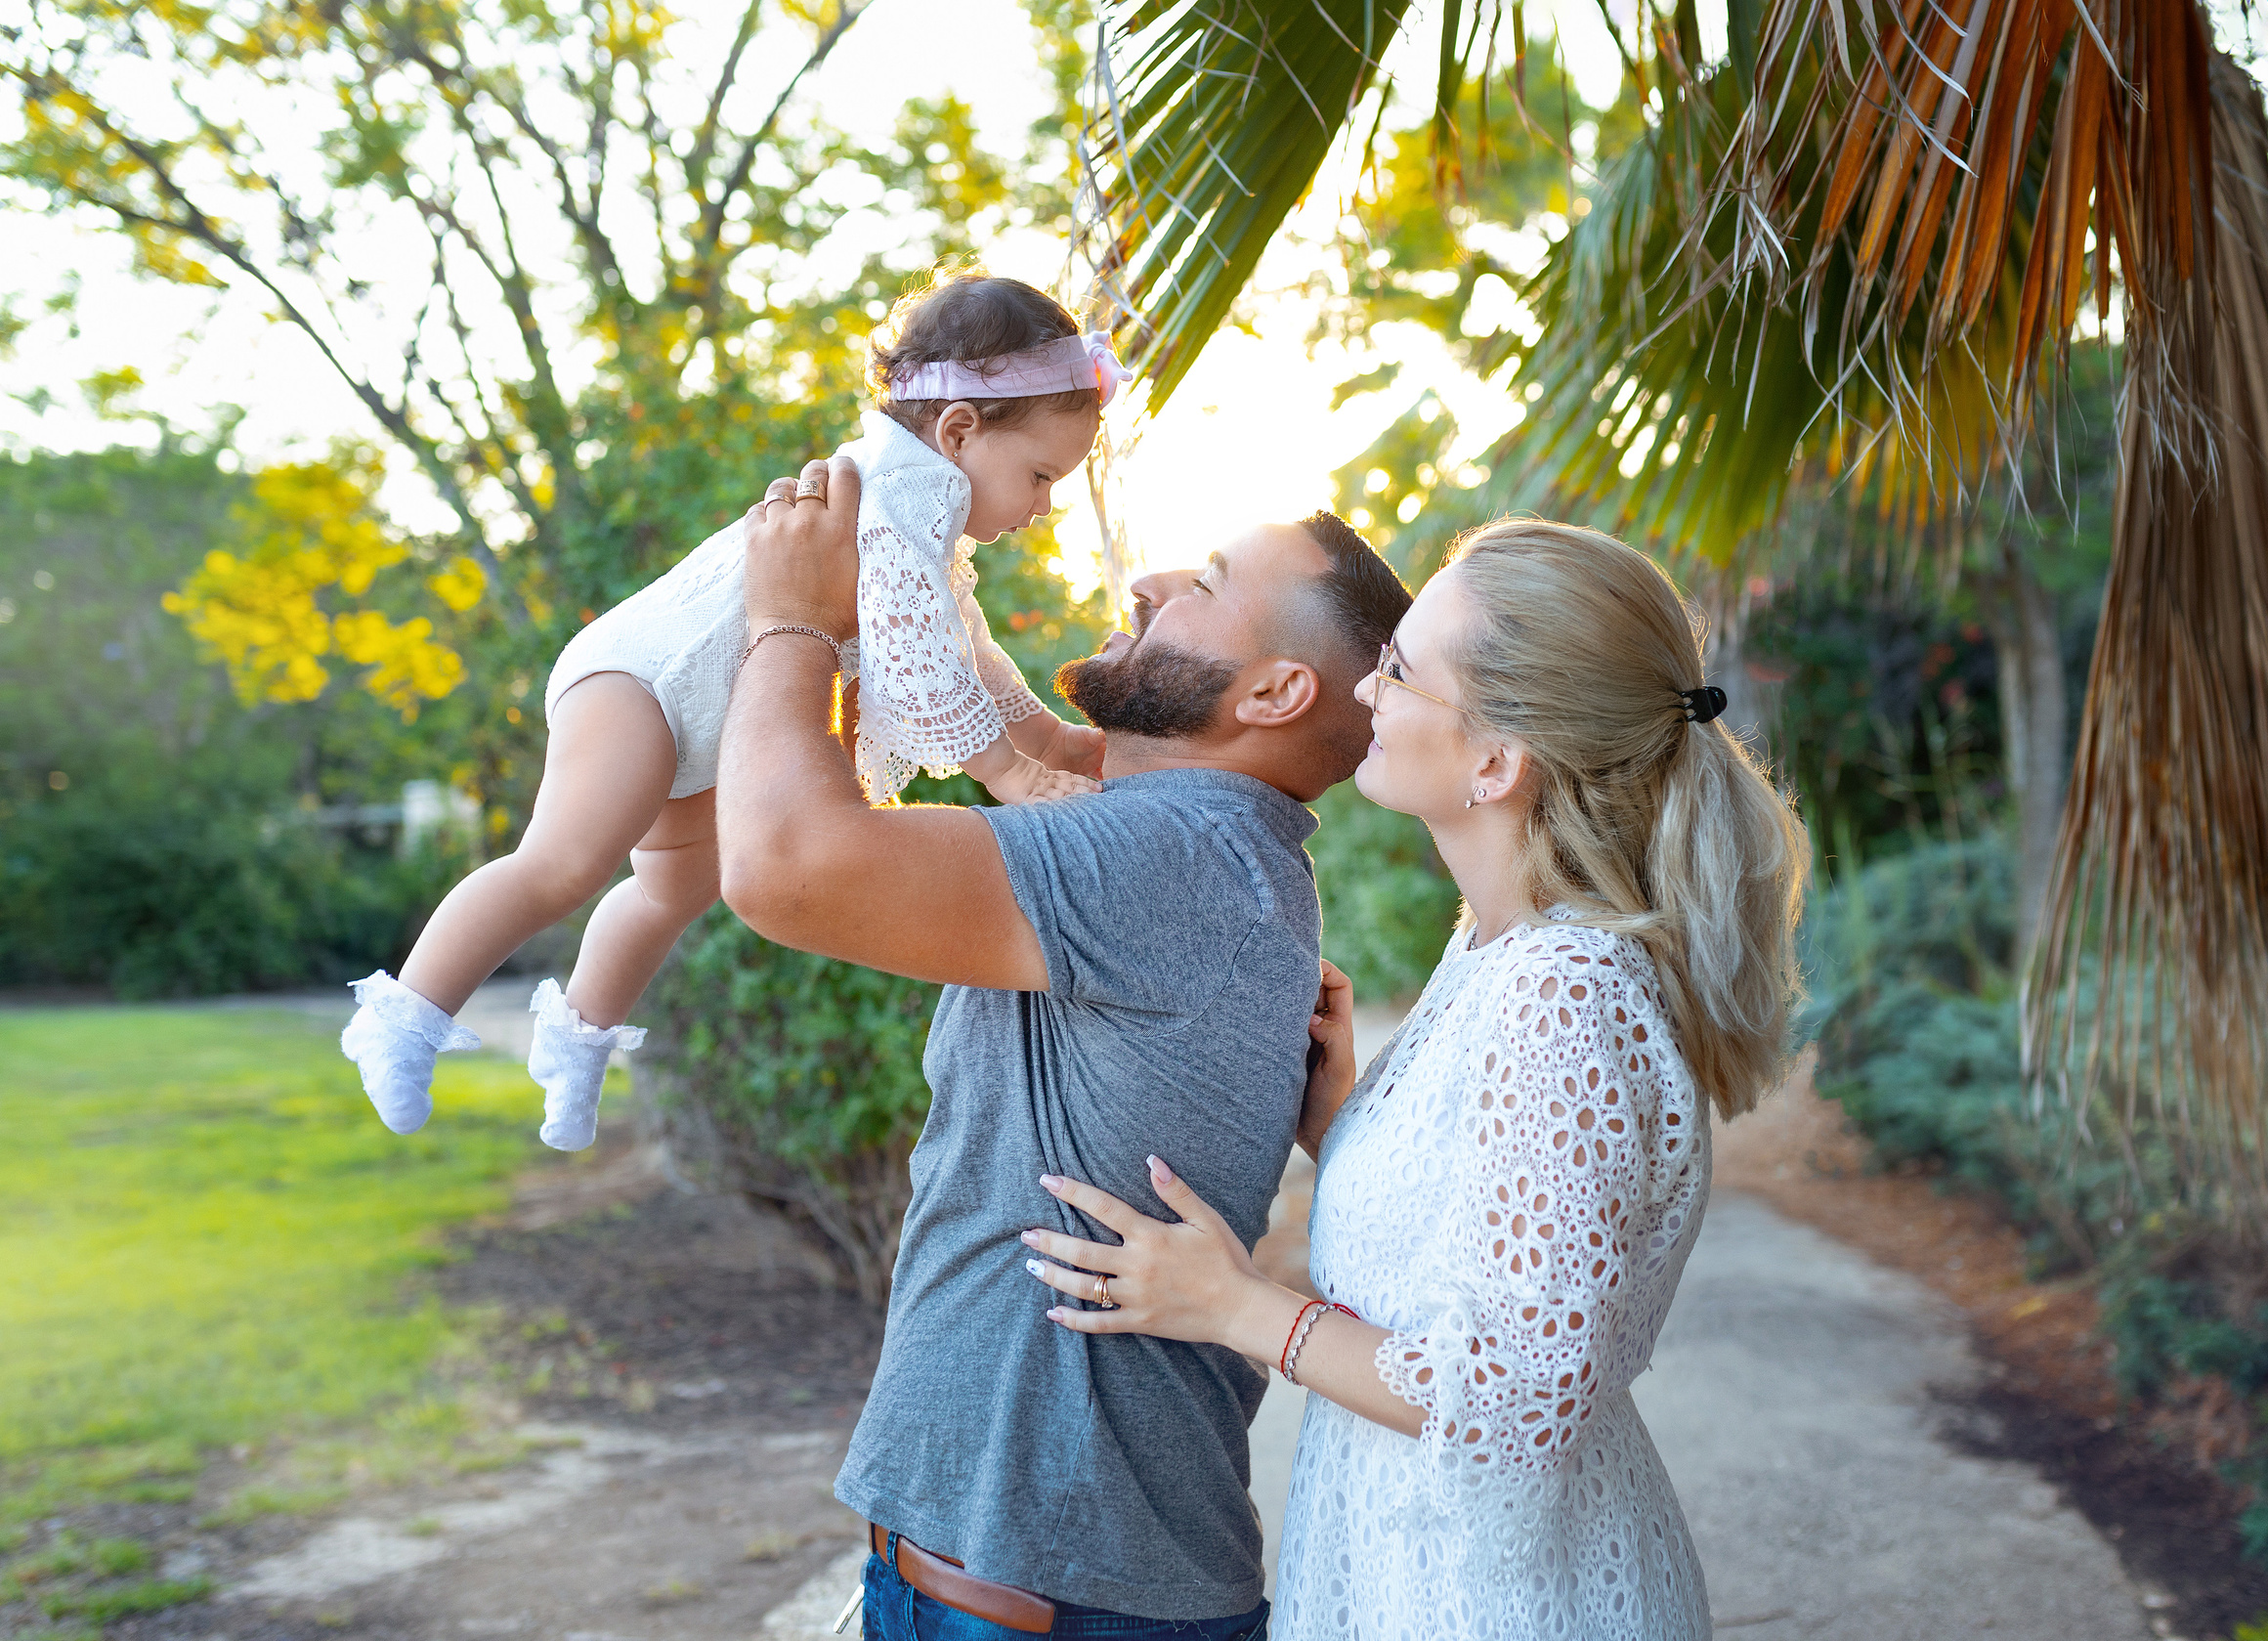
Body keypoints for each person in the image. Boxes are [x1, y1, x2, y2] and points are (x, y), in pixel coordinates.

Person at [1017, 519, 1810, 1639]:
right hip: (1425, 1568)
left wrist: (1238, 1306)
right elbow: (1477, 1251)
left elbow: (1521, 1392)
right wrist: (1345, 1121)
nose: (1365, 689)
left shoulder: (1563, 990)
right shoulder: (1495, 947)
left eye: (1397, 667)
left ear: (1498, 760)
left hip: (1504, 1598)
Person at [722, 453, 1413, 1639]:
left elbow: (785, 865)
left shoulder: (1176, 853)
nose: (1146, 580)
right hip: (1047, 1583)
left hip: (1034, 1598)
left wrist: (788, 615)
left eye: (1202, 581)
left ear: (1275, 691)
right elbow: (1021, 733)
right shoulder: (1205, 847)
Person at [337, 273, 1116, 1152]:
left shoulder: (926, 514)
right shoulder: (890, 493)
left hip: (701, 727)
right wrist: (1012, 770)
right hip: (642, 681)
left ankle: (577, 1037)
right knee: (564, 862)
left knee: (672, 887)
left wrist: (1048, 738)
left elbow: (967, 645)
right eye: (1041, 474)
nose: (1044, 506)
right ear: (960, 430)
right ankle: (402, 1018)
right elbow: (919, 652)